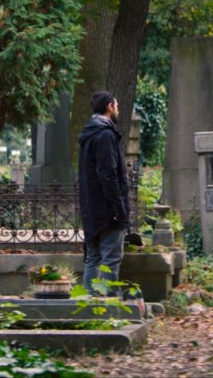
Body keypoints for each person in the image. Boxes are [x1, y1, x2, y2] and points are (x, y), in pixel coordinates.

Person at [77, 90, 131, 293]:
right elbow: (108, 174)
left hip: (90, 205)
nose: (118, 109)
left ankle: (89, 305)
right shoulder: (106, 134)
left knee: (93, 257)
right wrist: (119, 206)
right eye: (116, 105)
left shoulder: (87, 133)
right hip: (108, 207)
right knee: (111, 257)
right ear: (109, 106)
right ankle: (108, 306)